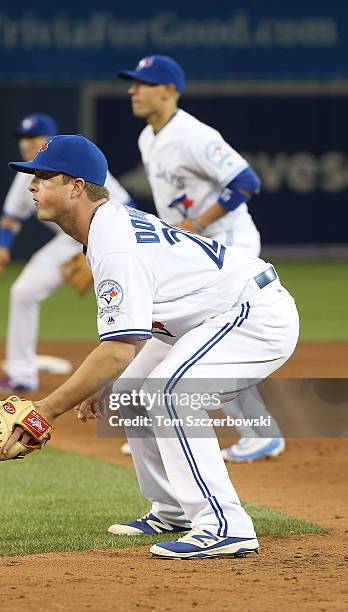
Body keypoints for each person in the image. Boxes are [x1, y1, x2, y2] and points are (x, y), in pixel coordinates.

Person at [2, 134, 299, 559]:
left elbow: (120, 348)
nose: (32, 185)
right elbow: (138, 331)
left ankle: (224, 525)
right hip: (210, 315)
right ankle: (173, 508)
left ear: (77, 186)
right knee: (129, 394)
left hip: (253, 313)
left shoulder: (115, 244)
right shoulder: (104, 228)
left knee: (171, 394)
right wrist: (104, 383)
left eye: (44, 176)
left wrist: (44, 410)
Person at [116, 54, 284, 463]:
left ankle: (253, 432)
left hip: (231, 245)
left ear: (170, 90)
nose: (133, 90)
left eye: (143, 83)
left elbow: (246, 181)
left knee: (200, 332)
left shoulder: (193, 134)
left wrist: (197, 222)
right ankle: (239, 429)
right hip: (196, 252)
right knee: (187, 332)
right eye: (132, 83)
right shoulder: (147, 138)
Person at [0, 114, 132, 393]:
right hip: (67, 243)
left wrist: (96, 250)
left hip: (108, 238)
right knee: (23, 293)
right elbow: (11, 216)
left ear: (48, 142)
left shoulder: (79, 165)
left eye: (33, 139)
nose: (26, 144)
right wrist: (2, 245)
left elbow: (127, 207)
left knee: (123, 301)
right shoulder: (27, 176)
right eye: (22, 139)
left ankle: (139, 369)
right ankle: (22, 375)